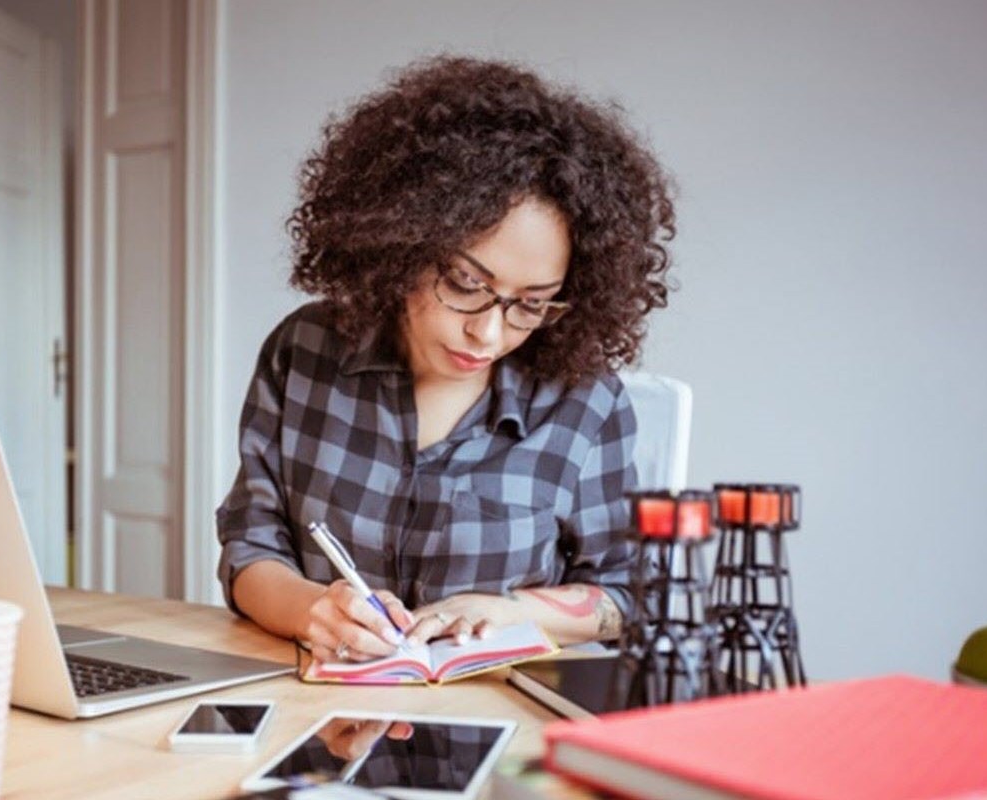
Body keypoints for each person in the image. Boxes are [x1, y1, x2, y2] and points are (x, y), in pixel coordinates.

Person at [217, 55, 675, 664]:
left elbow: (630, 592)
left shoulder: (583, 400)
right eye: (464, 283)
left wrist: (514, 611)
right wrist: (314, 611)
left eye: (530, 305)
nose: (488, 332)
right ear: (403, 245)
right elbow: (251, 547)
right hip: (321, 711)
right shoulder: (304, 352)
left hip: (498, 730)